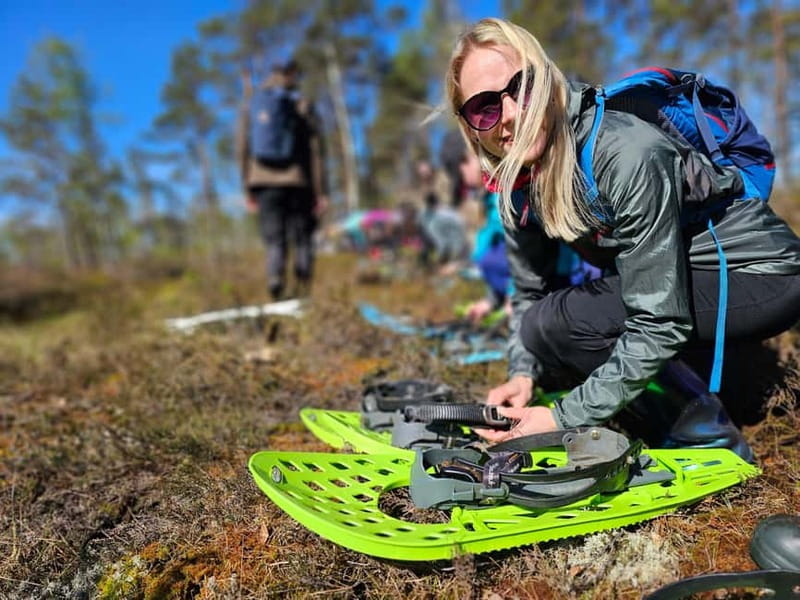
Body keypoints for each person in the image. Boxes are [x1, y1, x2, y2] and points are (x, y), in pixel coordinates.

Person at [445, 18, 800, 450]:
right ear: (471, 127)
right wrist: (523, 374)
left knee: (564, 322)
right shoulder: (517, 190)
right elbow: (528, 292)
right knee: (543, 326)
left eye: (523, 86)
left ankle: (706, 436)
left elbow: (659, 320)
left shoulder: (623, 151)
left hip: (761, 274)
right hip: (689, 282)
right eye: (485, 108)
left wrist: (561, 417)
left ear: (548, 77)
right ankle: (717, 390)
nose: (513, 114)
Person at [237, 60, 328, 301]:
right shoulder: (302, 104)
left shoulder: (254, 102)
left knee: (274, 239)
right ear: (292, 76)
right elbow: (316, 151)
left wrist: (247, 188)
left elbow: (242, 148)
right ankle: (303, 289)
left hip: (263, 181)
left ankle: (275, 281)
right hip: (298, 182)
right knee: (302, 238)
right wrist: (321, 191)